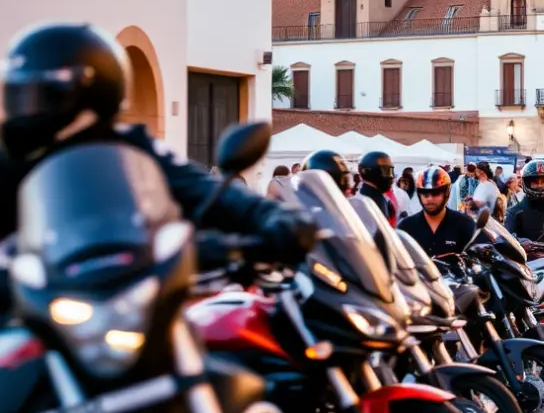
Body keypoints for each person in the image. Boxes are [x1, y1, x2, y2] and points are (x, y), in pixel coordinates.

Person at [0, 22, 315, 262]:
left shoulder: (133, 150)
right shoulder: (9, 160)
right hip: (31, 307)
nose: (26, 110)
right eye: (19, 96)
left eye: (38, 97)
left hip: (137, 294)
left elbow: (203, 190)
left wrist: (274, 217)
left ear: (92, 93)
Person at [398, 166, 478, 259]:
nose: (430, 199)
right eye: (425, 194)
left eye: (435, 193)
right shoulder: (406, 227)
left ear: (446, 193)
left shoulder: (465, 224)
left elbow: (475, 259)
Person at [357, 151, 397, 225]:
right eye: (386, 170)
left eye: (391, 171)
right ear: (367, 171)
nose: (391, 176)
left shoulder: (381, 198)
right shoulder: (365, 201)